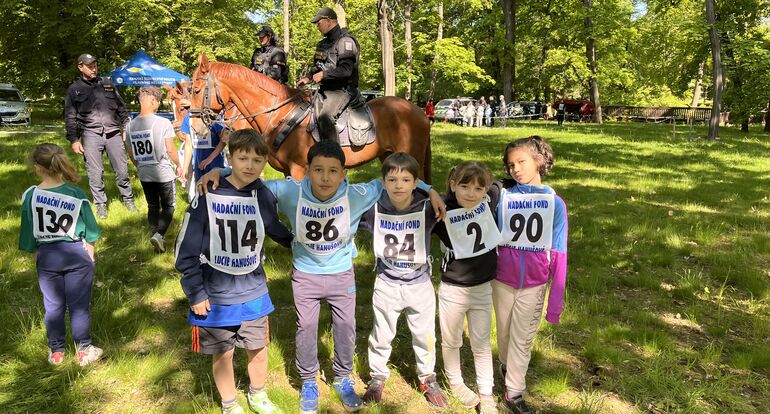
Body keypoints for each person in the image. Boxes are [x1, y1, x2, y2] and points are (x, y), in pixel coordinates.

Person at [198, 140, 445, 414]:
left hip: (341, 274)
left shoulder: (356, 193)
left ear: (343, 174)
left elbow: (390, 179)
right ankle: (308, 381)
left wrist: (431, 190)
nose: (325, 178)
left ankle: (342, 377)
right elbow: (249, 178)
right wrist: (219, 171)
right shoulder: (290, 190)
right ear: (307, 171)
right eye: (318, 170)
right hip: (306, 275)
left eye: (332, 171)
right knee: (306, 328)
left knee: (346, 327)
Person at [175, 129, 293, 414]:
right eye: (242, 158)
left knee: (258, 348)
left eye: (256, 159)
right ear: (230, 157)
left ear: (265, 162)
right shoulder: (207, 193)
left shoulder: (263, 194)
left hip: (253, 290)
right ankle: (229, 403)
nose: (249, 165)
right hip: (215, 294)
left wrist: (300, 245)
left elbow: (273, 227)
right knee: (223, 353)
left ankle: (258, 394)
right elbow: (184, 251)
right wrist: (195, 292)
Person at [358, 153, 448, 408]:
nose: (399, 185)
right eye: (392, 179)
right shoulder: (372, 208)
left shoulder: (428, 207)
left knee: (425, 333)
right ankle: (377, 375)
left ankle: (427, 376)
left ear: (416, 182)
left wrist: (431, 191)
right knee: (382, 333)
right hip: (386, 282)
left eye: (406, 180)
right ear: (383, 181)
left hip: (419, 283)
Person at [494, 136, 568, 414]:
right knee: (504, 335)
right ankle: (506, 364)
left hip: (534, 284)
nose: (516, 169)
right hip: (501, 279)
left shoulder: (555, 203)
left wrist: (555, 305)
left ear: (539, 161)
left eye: (521, 162)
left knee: (522, 340)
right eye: (510, 165)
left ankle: (514, 393)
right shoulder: (502, 197)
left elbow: (559, 253)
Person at [18, 143, 103, 366]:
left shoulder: (30, 196)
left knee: (52, 306)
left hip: (46, 256)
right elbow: (92, 231)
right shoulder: (76, 194)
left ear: (37, 167)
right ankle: (83, 350)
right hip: (76, 254)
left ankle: (56, 351)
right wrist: (90, 255)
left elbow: (28, 235)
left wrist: (38, 258)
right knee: (79, 306)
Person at [433, 161, 503, 414]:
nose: (471, 193)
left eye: (477, 188)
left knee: (481, 342)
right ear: (452, 185)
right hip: (453, 288)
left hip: (483, 287)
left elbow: (496, 186)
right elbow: (417, 197)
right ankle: (456, 383)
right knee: (451, 341)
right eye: (464, 186)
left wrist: (487, 184)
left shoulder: (488, 203)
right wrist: (434, 193)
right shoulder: (441, 210)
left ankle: (486, 393)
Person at [64, 53, 136, 219]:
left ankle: (128, 199)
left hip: (113, 133)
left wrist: (125, 128)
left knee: (122, 170)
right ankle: (101, 205)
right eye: (90, 66)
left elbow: (121, 108)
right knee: (95, 173)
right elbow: (70, 116)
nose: (94, 68)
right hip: (90, 134)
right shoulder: (74, 89)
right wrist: (74, 140)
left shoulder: (107, 84)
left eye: (95, 65)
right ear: (80, 67)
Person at [125, 86, 180, 253]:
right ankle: (159, 235)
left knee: (153, 206)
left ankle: (155, 235)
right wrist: (179, 164)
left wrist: (139, 165)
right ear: (153, 101)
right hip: (163, 172)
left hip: (144, 172)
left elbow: (130, 152)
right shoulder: (162, 122)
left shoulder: (129, 126)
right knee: (169, 206)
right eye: (158, 102)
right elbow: (170, 149)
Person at [297, 7, 360, 144]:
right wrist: (307, 77)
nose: (317, 28)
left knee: (325, 117)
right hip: (325, 89)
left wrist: (324, 75)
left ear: (329, 21)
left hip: (343, 90)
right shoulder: (323, 44)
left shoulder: (346, 41)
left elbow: (346, 70)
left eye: (318, 24)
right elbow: (317, 67)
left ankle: (333, 157)